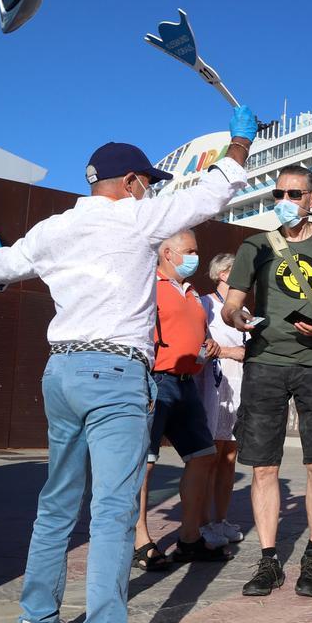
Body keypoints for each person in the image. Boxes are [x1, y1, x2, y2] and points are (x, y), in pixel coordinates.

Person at [0, 106, 254, 623]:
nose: (149, 192)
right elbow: (213, 193)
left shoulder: (55, 228)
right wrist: (238, 144)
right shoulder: (137, 218)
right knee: (113, 511)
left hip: (62, 372)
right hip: (116, 371)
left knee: (56, 503)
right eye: (146, 184)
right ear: (132, 182)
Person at [221, 164, 312, 598]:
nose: (285, 201)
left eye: (295, 194)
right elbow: (232, 303)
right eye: (278, 194)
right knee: (263, 465)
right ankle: (269, 561)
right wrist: (238, 318)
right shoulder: (254, 246)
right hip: (264, 360)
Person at [133, 230, 233, 569]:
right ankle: (140, 539)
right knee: (144, 463)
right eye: (189, 250)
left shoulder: (191, 293)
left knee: (203, 456)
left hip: (188, 381)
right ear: (167, 253)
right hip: (156, 381)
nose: (195, 257)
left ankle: (189, 537)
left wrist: (210, 346)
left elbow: (199, 333)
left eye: (196, 250)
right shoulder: (148, 287)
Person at [197, 253, 248, 548]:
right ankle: (201, 522)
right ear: (224, 274)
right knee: (210, 456)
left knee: (229, 456)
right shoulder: (205, 304)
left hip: (238, 384)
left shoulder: (243, 309)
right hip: (212, 384)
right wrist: (229, 353)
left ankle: (221, 518)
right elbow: (201, 343)